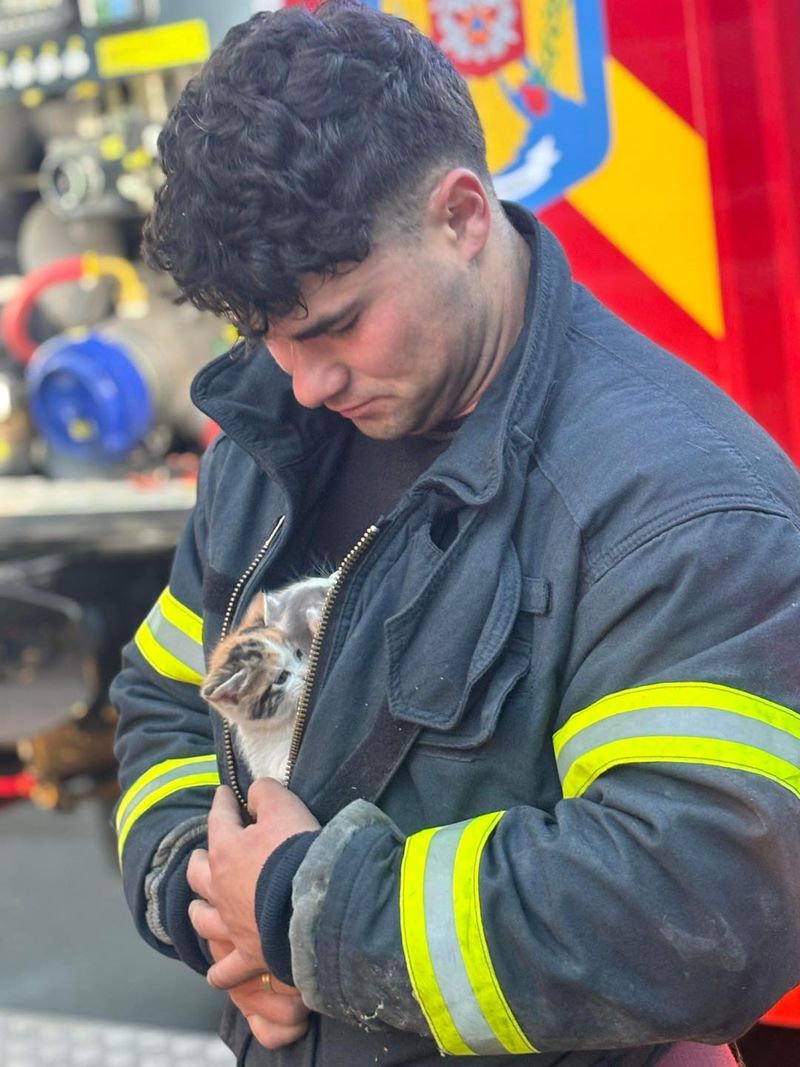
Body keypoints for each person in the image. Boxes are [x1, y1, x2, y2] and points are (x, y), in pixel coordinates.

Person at [110, 2, 800, 1064]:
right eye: (266, 338)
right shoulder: (272, 443)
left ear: (462, 214)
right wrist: (202, 894)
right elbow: (169, 699)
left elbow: (695, 908)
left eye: (337, 323)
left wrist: (306, 914)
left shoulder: (679, 511)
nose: (305, 380)